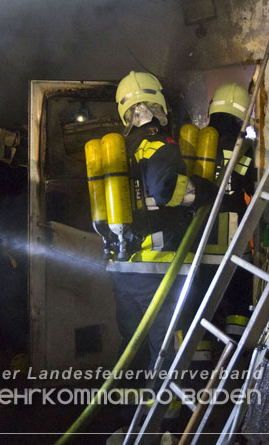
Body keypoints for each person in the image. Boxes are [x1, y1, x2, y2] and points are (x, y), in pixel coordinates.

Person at [108, 71, 218, 372]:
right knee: (167, 350)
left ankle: (128, 413)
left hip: (124, 267)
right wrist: (200, 192)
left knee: (134, 346)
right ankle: (166, 416)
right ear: (157, 102)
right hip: (157, 268)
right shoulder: (158, 142)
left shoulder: (122, 148)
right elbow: (166, 188)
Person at [207, 82, 256, 336]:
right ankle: (234, 361)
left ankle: (198, 368)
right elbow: (254, 188)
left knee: (201, 309)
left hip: (199, 246)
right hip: (233, 245)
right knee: (238, 301)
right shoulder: (246, 148)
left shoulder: (196, 144)